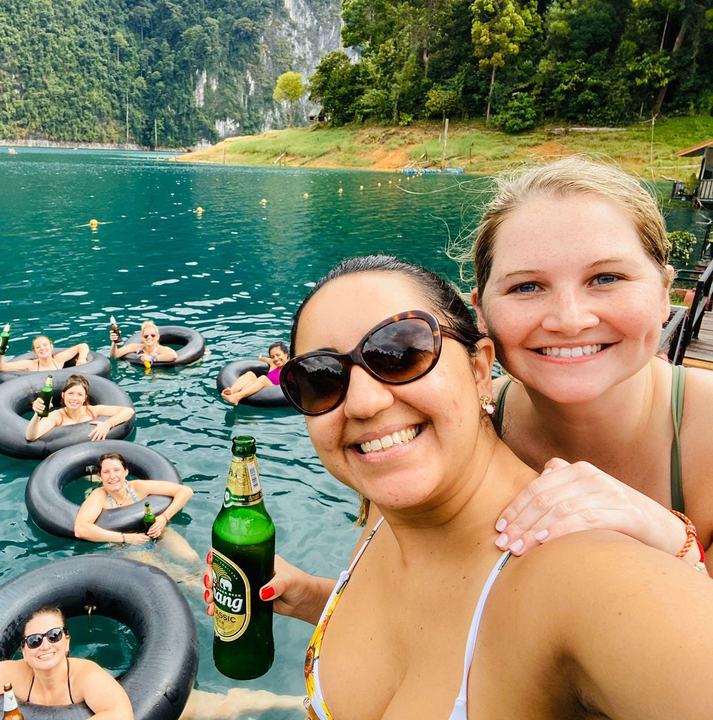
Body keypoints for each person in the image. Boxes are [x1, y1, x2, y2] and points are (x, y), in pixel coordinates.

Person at [204, 256, 711, 718]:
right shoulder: (386, 512)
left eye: (400, 352)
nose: (361, 403)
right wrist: (313, 597)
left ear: (479, 367)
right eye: (319, 378)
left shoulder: (587, 575)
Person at [465, 158, 713, 569]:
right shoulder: (462, 429)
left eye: (607, 278)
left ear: (664, 292)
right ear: (482, 311)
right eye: (526, 286)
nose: (569, 320)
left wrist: (676, 543)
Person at [0, 605, 133, 720]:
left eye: (54, 635)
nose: (45, 645)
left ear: (67, 642)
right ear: (24, 651)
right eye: (34, 640)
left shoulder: (86, 676)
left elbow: (121, 714)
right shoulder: (15, 673)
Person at [74, 451, 194, 553]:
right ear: (100, 476)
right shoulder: (99, 496)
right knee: (158, 566)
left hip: (154, 529)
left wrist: (164, 518)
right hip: (123, 544)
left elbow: (185, 491)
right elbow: (80, 529)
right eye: (106, 472)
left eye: (117, 470)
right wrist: (125, 538)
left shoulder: (138, 487)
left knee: (190, 557)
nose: (112, 476)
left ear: (126, 471)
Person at [26, 375, 134, 442]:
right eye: (70, 393)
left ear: (85, 398)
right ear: (63, 395)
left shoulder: (92, 411)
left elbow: (128, 411)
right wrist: (37, 414)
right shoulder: (57, 416)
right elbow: (31, 436)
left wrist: (108, 424)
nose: (74, 398)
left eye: (79, 394)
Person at [221, 342, 289, 405]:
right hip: (260, 386)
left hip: (274, 391)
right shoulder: (273, 363)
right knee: (250, 374)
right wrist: (260, 358)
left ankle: (237, 397)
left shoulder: (292, 367)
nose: (276, 359)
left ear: (286, 354)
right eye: (272, 356)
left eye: (278, 355)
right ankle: (231, 391)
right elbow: (264, 359)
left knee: (263, 378)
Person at [0, 334, 91, 373]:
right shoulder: (30, 365)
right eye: (38, 347)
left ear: (51, 346)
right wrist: (1, 353)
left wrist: (82, 358)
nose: (42, 348)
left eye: (45, 345)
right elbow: (1, 368)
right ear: (35, 351)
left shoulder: (58, 359)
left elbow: (82, 345)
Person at [110, 321, 177, 365]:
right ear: (142, 337)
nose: (149, 337)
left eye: (153, 335)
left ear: (157, 337)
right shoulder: (137, 347)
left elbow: (173, 356)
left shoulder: (161, 349)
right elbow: (115, 355)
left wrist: (151, 358)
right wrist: (114, 342)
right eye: (146, 336)